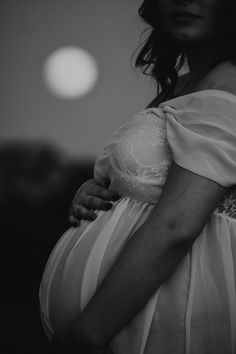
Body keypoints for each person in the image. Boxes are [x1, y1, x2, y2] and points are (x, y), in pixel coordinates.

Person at [39, 0, 236, 353]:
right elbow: (157, 186)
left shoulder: (228, 83)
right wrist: (100, 193)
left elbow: (177, 224)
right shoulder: (188, 85)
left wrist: (88, 333)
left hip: (168, 328)